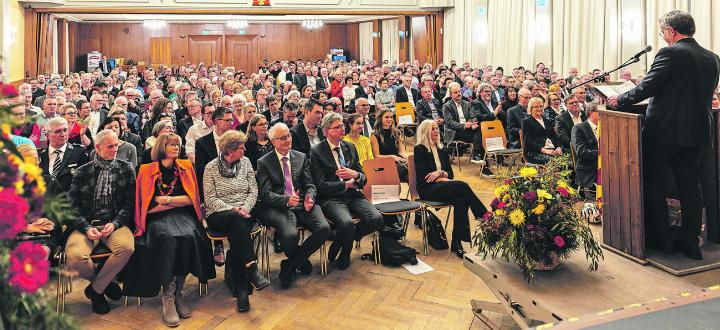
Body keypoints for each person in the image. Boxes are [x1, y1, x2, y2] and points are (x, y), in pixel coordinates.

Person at [608, 10, 720, 259]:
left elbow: (649, 86)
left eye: (662, 32)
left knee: (652, 181)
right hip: (697, 132)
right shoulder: (713, 58)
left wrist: (620, 100)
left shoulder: (671, 52)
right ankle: (690, 243)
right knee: (690, 185)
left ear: (671, 31)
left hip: (664, 132)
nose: (663, 37)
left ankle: (662, 238)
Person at [127, 133, 215, 326]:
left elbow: (192, 199)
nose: (177, 148)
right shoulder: (146, 169)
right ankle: (168, 297)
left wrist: (166, 200)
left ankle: (178, 292)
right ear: (161, 147)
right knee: (168, 237)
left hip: (184, 215)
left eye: (178, 145)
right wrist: (176, 202)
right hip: (156, 218)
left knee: (189, 235)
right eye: (172, 145)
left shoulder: (185, 166)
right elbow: (148, 206)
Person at [65, 129, 136, 314]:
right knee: (75, 258)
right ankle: (103, 285)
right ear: (97, 148)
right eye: (110, 146)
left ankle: (95, 291)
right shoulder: (82, 172)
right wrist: (86, 228)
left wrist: (115, 223)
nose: (114, 149)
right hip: (86, 225)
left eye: (116, 145)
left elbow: (129, 204)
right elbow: (72, 207)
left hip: (114, 223)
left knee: (126, 248)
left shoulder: (126, 168)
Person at [256, 123, 331, 288]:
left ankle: (290, 265)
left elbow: (310, 184)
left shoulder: (301, 156)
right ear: (272, 141)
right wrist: (286, 200)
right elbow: (265, 194)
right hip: (279, 207)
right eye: (282, 138)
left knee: (324, 228)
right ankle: (300, 261)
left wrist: (310, 197)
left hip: (303, 204)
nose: (287, 140)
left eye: (288, 136)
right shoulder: (264, 162)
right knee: (290, 236)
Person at [203, 130, 270, 312]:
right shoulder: (210, 168)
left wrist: (246, 208)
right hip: (219, 214)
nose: (245, 150)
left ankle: (242, 288)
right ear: (229, 150)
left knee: (237, 231)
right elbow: (210, 199)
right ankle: (251, 270)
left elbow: (253, 191)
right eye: (241, 148)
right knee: (235, 220)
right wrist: (233, 209)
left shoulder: (246, 163)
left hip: (244, 213)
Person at [309, 112, 384, 270]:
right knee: (346, 223)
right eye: (337, 127)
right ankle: (345, 253)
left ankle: (340, 242)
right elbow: (321, 186)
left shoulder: (349, 147)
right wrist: (345, 185)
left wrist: (355, 174)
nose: (342, 129)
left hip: (353, 195)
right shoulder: (317, 152)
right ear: (326, 131)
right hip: (332, 198)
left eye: (342, 126)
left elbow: (364, 178)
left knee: (376, 219)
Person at [413, 119, 488, 258]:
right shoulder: (419, 149)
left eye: (437, 128)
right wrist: (441, 177)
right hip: (427, 189)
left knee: (460, 200)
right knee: (462, 186)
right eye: (433, 129)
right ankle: (485, 217)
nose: (436, 131)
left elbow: (450, 174)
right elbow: (425, 176)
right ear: (425, 132)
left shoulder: (442, 149)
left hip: (442, 185)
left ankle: (456, 242)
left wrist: (440, 174)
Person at [194, 106, 235, 264]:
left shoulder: (236, 141)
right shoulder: (203, 143)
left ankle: (235, 247)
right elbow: (201, 171)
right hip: (212, 189)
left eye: (232, 120)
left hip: (233, 189)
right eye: (228, 120)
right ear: (217, 121)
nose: (231, 123)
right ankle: (218, 245)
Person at [38, 117, 90, 192]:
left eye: (65, 130)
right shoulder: (40, 155)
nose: (63, 134)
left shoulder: (79, 152)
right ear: (47, 135)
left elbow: (84, 182)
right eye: (58, 131)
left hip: (70, 199)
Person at [442, 82, 487, 166]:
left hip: (468, 129)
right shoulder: (447, 106)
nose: (458, 94)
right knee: (480, 135)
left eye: (459, 92)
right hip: (454, 132)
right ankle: (478, 156)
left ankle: (478, 156)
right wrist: (464, 125)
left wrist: (473, 123)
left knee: (481, 130)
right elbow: (449, 123)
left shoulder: (467, 103)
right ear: (451, 94)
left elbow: (473, 116)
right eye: (455, 93)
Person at [370, 108, 408, 182]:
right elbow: (376, 156)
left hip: (397, 161)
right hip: (384, 163)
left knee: (413, 166)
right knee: (407, 169)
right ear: (380, 118)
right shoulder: (374, 135)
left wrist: (408, 159)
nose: (390, 119)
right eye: (387, 117)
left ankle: (418, 191)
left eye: (391, 117)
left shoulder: (396, 132)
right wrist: (392, 157)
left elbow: (401, 152)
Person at [522, 97, 562, 164]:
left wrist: (558, 147)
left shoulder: (547, 121)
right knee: (557, 162)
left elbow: (554, 136)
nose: (539, 109)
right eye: (536, 107)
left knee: (568, 159)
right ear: (531, 108)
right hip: (535, 152)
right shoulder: (527, 121)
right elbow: (527, 141)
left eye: (541, 106)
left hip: (552, 150)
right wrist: (544, 150)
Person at [571, 102, 599, 192]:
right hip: (589, 168)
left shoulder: (607, 127)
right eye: (600, 112)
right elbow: (582, 152)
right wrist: (602, 153)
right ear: (590, 112)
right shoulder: (578, 128)